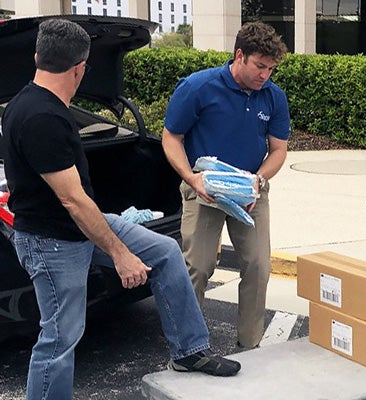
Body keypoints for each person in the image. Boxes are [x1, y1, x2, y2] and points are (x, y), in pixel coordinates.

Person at [0, 18, 240, 400]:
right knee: (61, 337)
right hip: (52, 242)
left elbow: (78, 205)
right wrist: (120, 254)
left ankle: (189, 351)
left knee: (164, 252)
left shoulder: (39, 104)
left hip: (77, 225)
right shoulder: (40, 117)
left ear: (36, 56)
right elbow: (72, 200)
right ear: (80, 67)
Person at [161, 21, 290, 349]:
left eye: (271, 69)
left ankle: (250, 344)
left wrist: (258, 181)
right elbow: (171, 138)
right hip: (204, 188)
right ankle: (187, 348)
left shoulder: (274, 97)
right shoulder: (198, 87)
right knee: (198, 266)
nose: (265, 75)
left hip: (250, 190)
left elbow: (278, 150)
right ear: (239, 56)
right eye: (260, 66)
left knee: (259, 266)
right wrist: (191, 178)